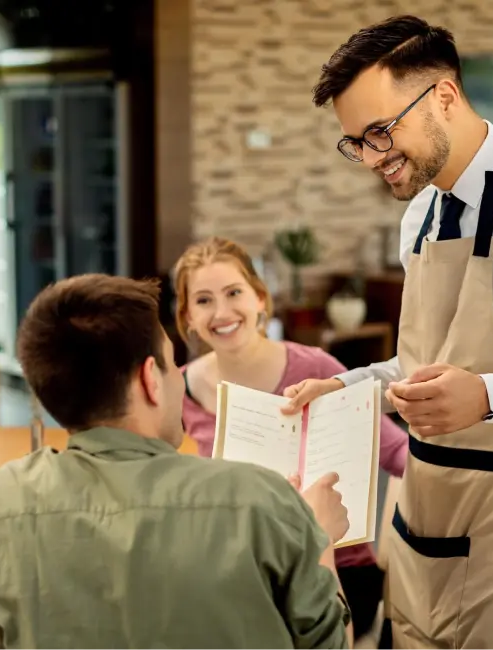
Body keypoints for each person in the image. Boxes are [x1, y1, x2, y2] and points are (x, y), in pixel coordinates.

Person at [281, 15, 493, 650]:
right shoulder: (420, 218)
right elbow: (421, 368)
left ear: (443, 96)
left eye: (381, 132)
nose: (372, 158)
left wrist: (491, 397)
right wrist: (347, 388)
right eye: (356, 142)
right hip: (422, 515)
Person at [0, 274, 353, 650]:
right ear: (150, 378)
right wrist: (319, 539)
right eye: (170, 363)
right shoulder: (262, 501)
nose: (178, 381)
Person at [173, 236, 408, 641]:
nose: (222, 312)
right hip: (245, 568)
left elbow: (398, 452)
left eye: (234, 293)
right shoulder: (180, 389)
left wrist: (399, 537)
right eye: (204, 300)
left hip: (338, 566)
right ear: (188, 317)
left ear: (260, 299)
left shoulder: (314, 368)